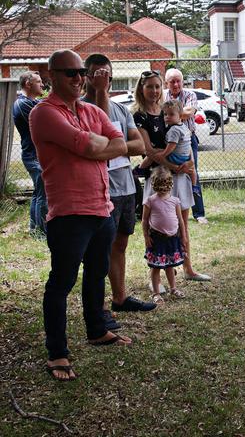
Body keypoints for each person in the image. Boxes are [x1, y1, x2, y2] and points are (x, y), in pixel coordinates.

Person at [30, 49, 132, 381]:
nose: (78, 79)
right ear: (52, 76)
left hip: (102, 208)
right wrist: (98, 146)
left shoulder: (89, 109)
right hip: (69, 213)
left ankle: (96, 329)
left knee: (96, 273)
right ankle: (57, 353)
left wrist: (97, 144)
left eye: (81, 73)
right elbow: (91, 148)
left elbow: (124, 144)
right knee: (61, 283)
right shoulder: (43, 113)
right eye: (71, 73)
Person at [81, 53, 155, 332]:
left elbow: (139, 147)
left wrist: (115, 145)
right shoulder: (82, 108)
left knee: (120, 244)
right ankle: (98, 308)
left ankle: (120, 297)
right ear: (86, 76)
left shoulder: (121, 110)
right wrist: (99, 93)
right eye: (98, 75)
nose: (105, 81)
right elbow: (99, 138)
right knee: (99, 250)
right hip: (102, 189)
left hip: (125, 185)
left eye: (108, 76)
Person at [133, 70, 211, 284]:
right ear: (142, 88)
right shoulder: (139, 115)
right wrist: (174, 167)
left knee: (182, 223)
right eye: (149, 86)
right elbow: (149, 150)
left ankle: (188, 267)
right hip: (158, 178)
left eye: (157, 86)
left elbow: (182, 140)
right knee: (155, 225)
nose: (154, 90)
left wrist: (188, 163)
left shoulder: (167, 111)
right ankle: (155, 274)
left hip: (179, 176)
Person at [164, 69, 208, 224]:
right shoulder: (163, 95)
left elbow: (189, 112)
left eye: (178, 81)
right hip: (169, 141)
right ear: (166, 83)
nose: (176, 84)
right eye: (172, 81)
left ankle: (199, 213)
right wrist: (174, 114)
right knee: (169, 173)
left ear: (182, 82)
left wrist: (169, 114)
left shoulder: (190, 95)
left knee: (191, 171)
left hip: (188, 140)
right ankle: (170, 210)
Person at [142, 166, 188, 304]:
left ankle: (173, 288)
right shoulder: (150, 201)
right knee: (155, 267)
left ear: (170, 184)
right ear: (154, 184)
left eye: (165, 184)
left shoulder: (175, 201)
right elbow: (144, 220)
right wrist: (146, 236)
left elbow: (180, 220)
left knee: (170, 265)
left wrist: (183, 236)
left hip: (172, 238)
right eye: (159, 184)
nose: (163, 187)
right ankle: (156, 293)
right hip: (157, 239)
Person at [12, 71, 47, 236]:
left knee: (38, 192)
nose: (42, 85)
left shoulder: (33, 102)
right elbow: (46, 119)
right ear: (28, 83)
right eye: (38, 82)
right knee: (44, 193)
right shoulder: (23, 104)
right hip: (33, 156)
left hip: (37, 155)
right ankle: (41, 231)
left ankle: (34, 228)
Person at [140, 100, 197, 185]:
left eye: (171, 114)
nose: (167, 117)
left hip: (176, 158)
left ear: (180, 116)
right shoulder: (184, 127)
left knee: (154, 153)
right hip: (185, 157)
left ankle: (141, 168)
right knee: (192, 170)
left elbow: (171, 146)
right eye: (165, 114)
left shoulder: (174, 130)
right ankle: (194, 185)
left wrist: (163, 154)